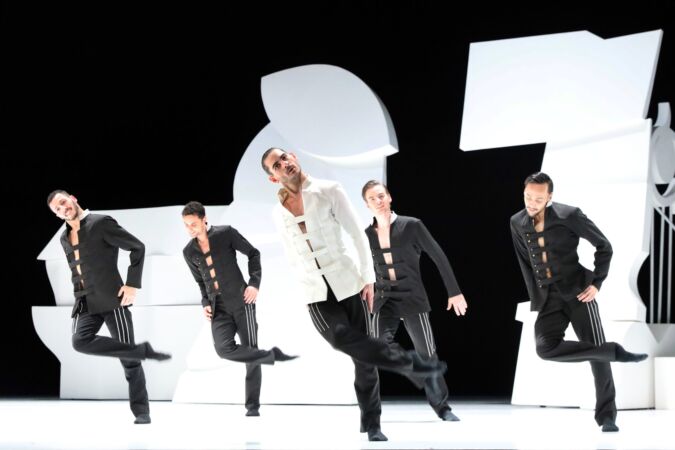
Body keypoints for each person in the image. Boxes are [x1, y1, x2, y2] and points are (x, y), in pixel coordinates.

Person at [261, 147, 445, 442]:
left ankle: (372, 424)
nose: (284, 164)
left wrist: (368, 279)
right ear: (273, 178)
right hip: (315, 292)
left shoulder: (328, 190)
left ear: (293, 157)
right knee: (340, 339)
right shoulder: (278, 212)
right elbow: (290, 254)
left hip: (348, 282)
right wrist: (301, 289)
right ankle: (409, 363)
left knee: (364, 360)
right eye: (276, 165)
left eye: (284, 158)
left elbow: (357, 234)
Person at [509, 172, 648, 432]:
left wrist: (597, 283)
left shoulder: (569, 215)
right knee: (545, 349)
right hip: (549, 298)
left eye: (538, 199)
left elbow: (604, 246)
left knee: (597, 356)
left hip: (578, 293)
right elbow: (525, 262)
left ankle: (607, 416)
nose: (532, 203)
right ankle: (612, 351)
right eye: (528, 197)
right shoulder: (517, 222)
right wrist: (537, 298)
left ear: (549, 197)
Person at [47, 190, 171, 425]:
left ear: (73, 198)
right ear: (57, 215)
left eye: (63, 202)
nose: (63, 209)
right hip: (85, 302)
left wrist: (132, 284)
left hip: (113, 300)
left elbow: (137, 247)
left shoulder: (101, 223)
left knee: (128, 359)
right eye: (57, 209)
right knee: (79, 341)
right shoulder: (64, 237)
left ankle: (141, 412)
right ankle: (139, 350)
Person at [362, 180, 467, 422]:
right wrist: (365, 286)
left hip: (412, 297)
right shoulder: (366, 234)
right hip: (384, 298)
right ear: (367, 205)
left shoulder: (411, 225)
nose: (378, 201)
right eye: (372, 199)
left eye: (381, 196)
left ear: (389, 197)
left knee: (427, 352)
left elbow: (438, 256)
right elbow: (362, 265)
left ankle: (442, 407)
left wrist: (454, 291)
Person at [181, 201, 296, 417]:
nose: (190, 229)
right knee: (223, 349)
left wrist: (254, 284)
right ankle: (267, 356)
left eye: (193, 224)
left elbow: (253, 253)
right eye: (186, 225)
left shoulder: (226, 234)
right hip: (218, 308)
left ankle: (252, 407)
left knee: (249, 349)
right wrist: (205, 303)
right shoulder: (189, 252)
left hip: (242, 301)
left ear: (204, 219)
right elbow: (200, 282)